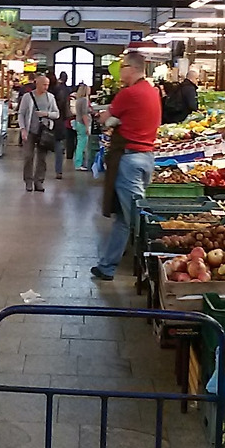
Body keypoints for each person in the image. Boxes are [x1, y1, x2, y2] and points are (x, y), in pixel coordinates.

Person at [91, 51, 161, 281]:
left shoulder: (128, 93)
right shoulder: (152, 92)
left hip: (130, 159)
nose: (120, 71)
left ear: (131, 68)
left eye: (122, 67)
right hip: (146, 157)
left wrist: (110, 118)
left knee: (137, 220)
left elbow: (104, 119)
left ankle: (154, 269)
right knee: (123, 218)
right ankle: (107, 266)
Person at [17, 74, 59, 192]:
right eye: (44, 84)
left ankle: (39, 181)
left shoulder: (50, 97)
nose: (46, 87)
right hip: (30, 130)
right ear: (37, 84)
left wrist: (46, 114)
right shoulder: (27, 97)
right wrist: (23, 129)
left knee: (42, 158)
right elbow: (21, 113)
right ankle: (28, 181)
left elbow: (57, 113)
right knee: (28, 156)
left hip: (44, 131)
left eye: (47, 85)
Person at [50, 74, 72, 179]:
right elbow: (65, 109)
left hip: (46, 121)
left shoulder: (47, 94)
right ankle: (58, 171)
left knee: (42, 147)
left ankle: (39, 172)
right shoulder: (65, 90)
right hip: (59, 122)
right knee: (59, 146)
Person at [72, 83, 92, 171]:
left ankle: (78, 162)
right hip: (83, 124)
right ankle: (79, 163)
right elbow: (84, 114)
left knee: (79, 143)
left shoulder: (79, 100)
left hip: (78, 122)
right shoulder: (84, 100)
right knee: (82, 145)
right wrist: (87, 126)